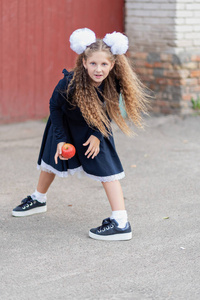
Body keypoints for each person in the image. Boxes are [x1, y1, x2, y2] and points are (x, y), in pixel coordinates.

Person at [12, 28, 148, 241]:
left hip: (95, 127)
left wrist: (96, 134)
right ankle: (38, 199)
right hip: (63, 125)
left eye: (104, 64)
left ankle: (121, 222)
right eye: (93, 63)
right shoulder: (70, 82)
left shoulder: (113, 84)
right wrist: (61, 139)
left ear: (112, 65)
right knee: (52, 160)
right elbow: (54, 107)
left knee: (107, 170)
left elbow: (108, 111)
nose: (98, 69)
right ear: (84, 63)